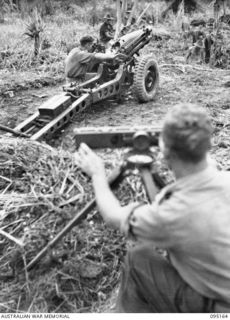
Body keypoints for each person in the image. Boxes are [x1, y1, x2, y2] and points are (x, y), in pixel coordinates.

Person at [75, 103, 230, 313]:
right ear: (207, 146)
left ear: (164, 149)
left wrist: (97, 175)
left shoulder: (171, 214)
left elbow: (112, 216)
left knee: (138, 257)